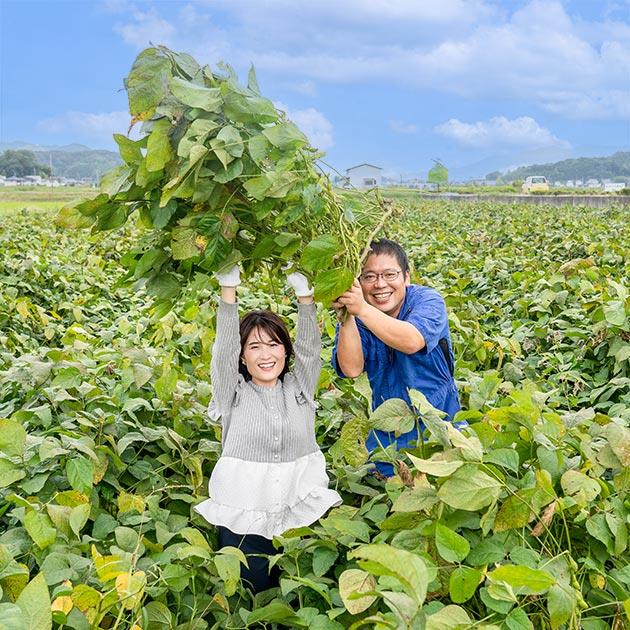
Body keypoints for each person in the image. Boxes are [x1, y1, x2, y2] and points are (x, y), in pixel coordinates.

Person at [194, 265, 342, 593]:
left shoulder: (299, 389)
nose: (266, 355)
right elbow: (222, 352)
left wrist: (306, 298)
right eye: (255, 347)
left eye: (274, 345)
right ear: (243, 357)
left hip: (298, 512)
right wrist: (228, 290)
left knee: (300, 597)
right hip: (243, 519)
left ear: (285, 352)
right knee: (253, 599)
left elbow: (310, 352)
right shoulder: (232, 393)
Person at [332, 238, 460, 477]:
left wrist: (361, 308)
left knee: (447, 476)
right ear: (358, 283)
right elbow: (351, 369)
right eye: (369, 277)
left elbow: (412, 340)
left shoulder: (428, 301)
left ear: (406, 277)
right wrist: (347, 315)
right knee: (382, 483)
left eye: (390, 274)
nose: (380, 285)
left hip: (440, 420)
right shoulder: (356, 315)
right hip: (388, 431)